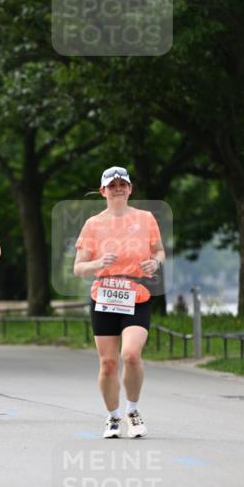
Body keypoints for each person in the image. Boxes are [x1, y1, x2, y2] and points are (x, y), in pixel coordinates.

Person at [74, 166, 165, 439]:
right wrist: (97, 264)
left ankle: (132, 410)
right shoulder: (93, 224)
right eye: (112, 185)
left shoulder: (146, 218)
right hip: (104, 295)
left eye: (122, 184)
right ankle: (113, 417)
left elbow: (159, 251)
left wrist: (155, 263)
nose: (118, 188)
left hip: (136, 294)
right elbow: (78, 268)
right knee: (109, 364)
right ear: (103, 191)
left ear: (130, 188)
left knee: (131, 355)